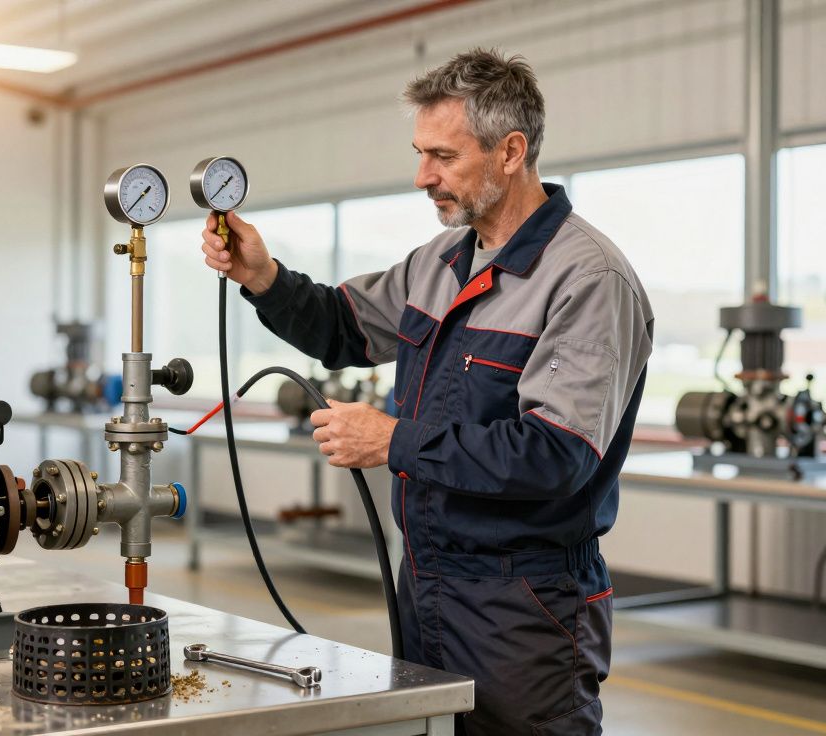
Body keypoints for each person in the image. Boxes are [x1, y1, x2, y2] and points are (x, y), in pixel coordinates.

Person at [201, 48, 653, 735]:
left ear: (510, 151)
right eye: (420, 153)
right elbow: (343, 327)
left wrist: (393, 439)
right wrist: (262, 275)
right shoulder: (439, 263)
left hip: (525, 603)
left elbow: (555, 455)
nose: (423, 177)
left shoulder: (586, 279)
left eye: (442, 156)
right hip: (429, 582)